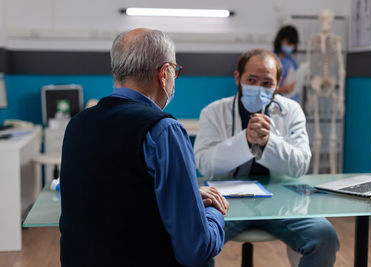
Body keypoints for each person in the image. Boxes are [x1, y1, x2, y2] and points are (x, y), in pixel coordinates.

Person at [59, 28, 229, 267]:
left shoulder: (77, 124)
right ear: (165, 73)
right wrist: (214, 213)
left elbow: (115, 196)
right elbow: (195, 249)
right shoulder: (163, 130)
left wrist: (185, 198)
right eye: (175, 72)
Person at [194, 49, 339, 267]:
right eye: (251, 80)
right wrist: (246, 139)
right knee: (196, 238)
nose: (259, 88)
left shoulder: (292, 111)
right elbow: (206, 166)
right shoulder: (213, 112)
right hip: (226, 202)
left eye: (267, 82)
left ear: (278, 82)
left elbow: (300, 166)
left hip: (281, 202)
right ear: (238, 78)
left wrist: (268, 141)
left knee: (324, 237)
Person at [273, 25, 300, 102]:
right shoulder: (271, 59)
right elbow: (263, 87)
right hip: (276, 101)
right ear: (280, 40)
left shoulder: (292, 61)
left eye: (292, 44)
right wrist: (280, 90)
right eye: (288, 43)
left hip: (292, 100)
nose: (290, 46)